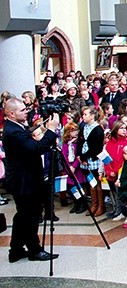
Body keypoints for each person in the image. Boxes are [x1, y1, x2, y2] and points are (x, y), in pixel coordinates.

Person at [3, 98, 60, 262]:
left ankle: (16, 249)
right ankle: (34, 250)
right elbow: (36, 149)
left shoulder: (16, 127)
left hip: (26, 179)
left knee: (23, 216)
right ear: (12, 114)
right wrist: (50, 130)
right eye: (22, 110)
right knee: (30, 216)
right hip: (24, 181)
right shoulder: (13, 131)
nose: (26, 111)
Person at [77, 106, 105, 217]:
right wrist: (79, 155)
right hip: (84, 158)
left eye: (85, 114)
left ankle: (100, 205)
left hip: (93, 158)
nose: (83, 116)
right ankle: (94, 204)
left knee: (97, 183)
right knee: (90, 183)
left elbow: (96, 147)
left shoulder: (98, 129)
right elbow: (80, 141)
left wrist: (85, 157)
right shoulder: (84, 127)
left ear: (92, 116)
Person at [61, 121, 86, 214]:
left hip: (77, 169)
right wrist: (69, 167)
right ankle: (76, 203)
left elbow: (78, 156)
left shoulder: (79, 143)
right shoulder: (66, 143)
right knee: (71, 187)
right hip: (68, 169)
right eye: (73, 131)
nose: (76, 132)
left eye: (76, 130)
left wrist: (74, 166)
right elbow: (63, 155)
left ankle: (82, 204)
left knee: (80, 187)